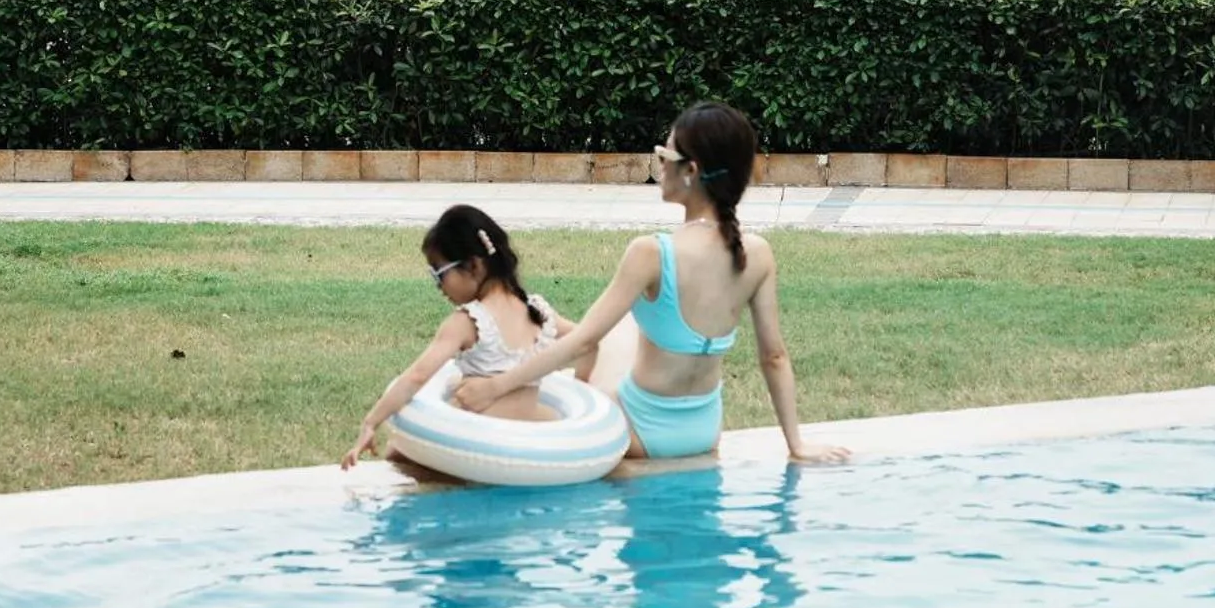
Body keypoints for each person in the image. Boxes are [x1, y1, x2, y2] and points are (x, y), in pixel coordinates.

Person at [454, 100, 848, 466]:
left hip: (640, 433)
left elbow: (586, 341)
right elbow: (774, 357)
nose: (659, 167)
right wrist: (796, 445)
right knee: (625, 327)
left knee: (577, 356)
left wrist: (497, 387)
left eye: (665, 157)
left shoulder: (651, 253)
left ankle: (555, 339)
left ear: (691, 171)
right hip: (703, 431)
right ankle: (559, 334)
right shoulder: (757, 254)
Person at [342, 204, 583, 469]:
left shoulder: (467, 322)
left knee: (397, 451)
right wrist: (585, 386)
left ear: (473, 266)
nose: (438, 287)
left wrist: (370, 423)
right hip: (525, 449)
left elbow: (416, 377)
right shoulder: (541, 312)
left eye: (439, 274)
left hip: (477, 449)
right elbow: (588, 342)